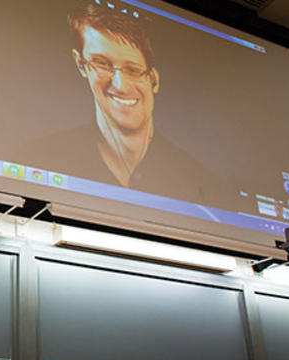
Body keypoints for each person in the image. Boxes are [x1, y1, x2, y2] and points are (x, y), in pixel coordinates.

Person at [62, 3, 233, 207]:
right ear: (81, 64)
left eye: (133, 70)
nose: (120, 86)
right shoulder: (47, 156)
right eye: (102, 63)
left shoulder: (207, 187)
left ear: (154, 79)